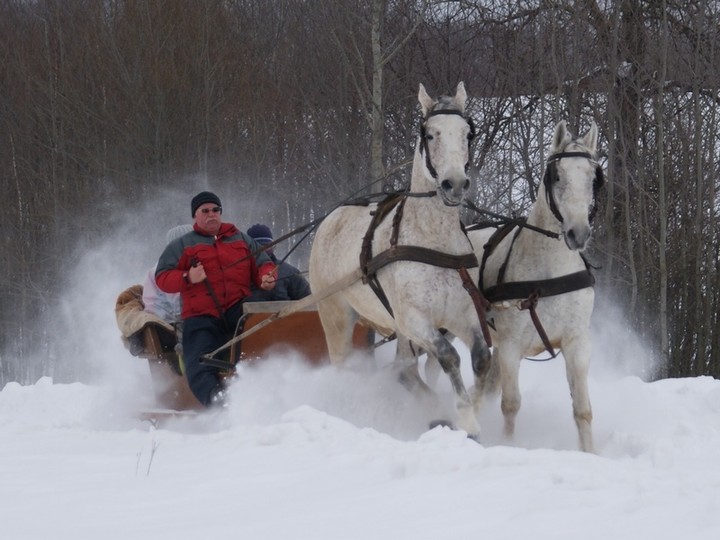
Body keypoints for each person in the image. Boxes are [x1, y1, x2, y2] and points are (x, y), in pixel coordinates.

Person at [155, 191, 277, 407]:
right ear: (195, 216)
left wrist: (267, 276)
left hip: (238, 309)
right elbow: (162, 277)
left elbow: (263, 262)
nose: (211, 215)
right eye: (205, 211)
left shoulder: (240, 238)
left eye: (215, 210)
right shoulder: (182, 245)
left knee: (267, 332)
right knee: (198, 363)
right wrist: (188, 277)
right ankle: (220, 404)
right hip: (201, 315)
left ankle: (270, 387)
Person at [245, 223, 311, 302]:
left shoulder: (290, 272)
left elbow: (308, 300)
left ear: (274, 247)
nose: (263, 251)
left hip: (286, 314)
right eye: (258, 247)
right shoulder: (238, 274)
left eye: (267, 246)